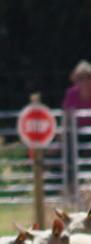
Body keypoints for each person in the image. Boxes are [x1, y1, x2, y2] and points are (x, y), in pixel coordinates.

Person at [62, 60, 91, 197]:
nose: (85, 81)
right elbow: (66, 118)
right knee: (67, 151)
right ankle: (71, 189)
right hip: (76, 134)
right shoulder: (71, 94)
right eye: (81, 78)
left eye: (88, 77)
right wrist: (59, 139)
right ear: (76, 81)